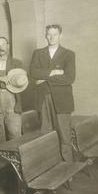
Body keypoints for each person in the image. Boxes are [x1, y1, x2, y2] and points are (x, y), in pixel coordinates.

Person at [30, 24, 76, 162]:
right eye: (49, 34)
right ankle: (49, 165)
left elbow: (69, 78)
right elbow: (33, 72)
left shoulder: (69, 54)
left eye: (55, 34)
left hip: (62, 100)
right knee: (46, 133)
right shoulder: (38, 53)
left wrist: (43, 79)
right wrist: (54, 72)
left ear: (60, 35)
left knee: (64, 135)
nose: (51, 37)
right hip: (43, 98)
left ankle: (68, 167)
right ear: (45, 35)